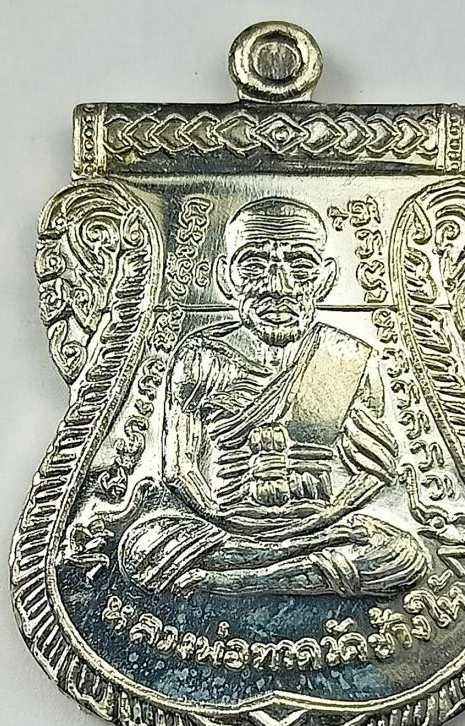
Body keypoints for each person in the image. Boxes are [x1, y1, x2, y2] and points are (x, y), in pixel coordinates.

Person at [119, 197, 429, 597]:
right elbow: (179, 469)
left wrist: (322, 521)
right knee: (142, 547)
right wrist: (223, 518)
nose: (278, 286)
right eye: (253, 265)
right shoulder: (200, 355)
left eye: (300, 265)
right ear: (225, 278)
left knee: (402, 555)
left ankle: (244, 580)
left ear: (326, 278)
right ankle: (290, 567)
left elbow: (374, 470)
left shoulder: (349, 357)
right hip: (223, 524)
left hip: (320, 523)